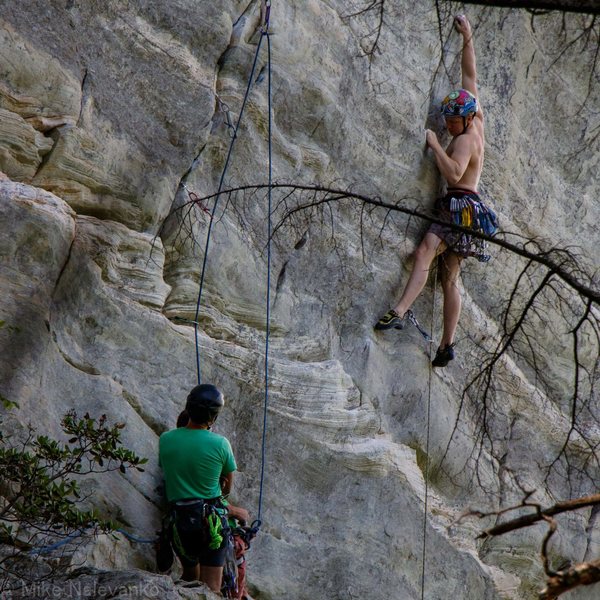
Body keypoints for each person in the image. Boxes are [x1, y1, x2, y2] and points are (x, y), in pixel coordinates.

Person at [375, 14, 497, 367]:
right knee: (449, 278)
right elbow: (470, 77)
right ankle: (446, 346)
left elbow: (454, 171)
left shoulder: (463, 141)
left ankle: (399, 309)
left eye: (450, 120)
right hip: (470, 211)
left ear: (464, 120)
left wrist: (434, 144)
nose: (446, 124)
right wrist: (467, 38)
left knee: (427, 249)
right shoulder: (476, 116)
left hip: (458, 204)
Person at [159, 384, 237, 593]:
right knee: (211, 588)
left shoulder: (166, 440)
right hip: (211, 525)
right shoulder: (221, 443)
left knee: (190, 578)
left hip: (180, 524)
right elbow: (227, 488)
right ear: (214, 417)